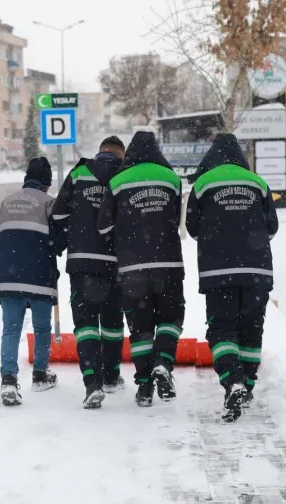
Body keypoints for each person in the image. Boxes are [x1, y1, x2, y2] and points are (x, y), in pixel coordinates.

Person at [186, 133, 279, 422]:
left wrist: (218, 237)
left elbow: (192, 227)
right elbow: (272, 227)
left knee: (222, 328)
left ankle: (232, 380)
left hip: (218, 272)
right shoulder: (258, 182)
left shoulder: (202, 184)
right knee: (252, 328)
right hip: (257, 270)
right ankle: (247, 386)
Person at [97, 131, 184, 407]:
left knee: (140, 329)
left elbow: (104, 226)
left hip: (132, 268)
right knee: (171, 317)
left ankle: (145, 387)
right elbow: (175, 217)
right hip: (168, 263)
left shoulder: (117, 181)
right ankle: (163, 362)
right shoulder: (171, 179)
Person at [51, 136, 127, 409]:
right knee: (112, 324)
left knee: (85, 325)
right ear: (121, 154)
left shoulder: (79, 173)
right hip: (116, 262)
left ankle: (92, 383)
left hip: (82, 262)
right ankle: (111, 376)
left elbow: (58, 216)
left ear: (100, 152)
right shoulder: (124, 174)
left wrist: (70, 236)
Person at [0, 157, 62, 406]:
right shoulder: (48, 203)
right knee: (42, 327)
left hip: (7, 277)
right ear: (46, 183)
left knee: (11, 329)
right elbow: (56, 240)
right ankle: (40, 374)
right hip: (39, 276)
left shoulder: (7, 202)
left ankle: (8, 380)